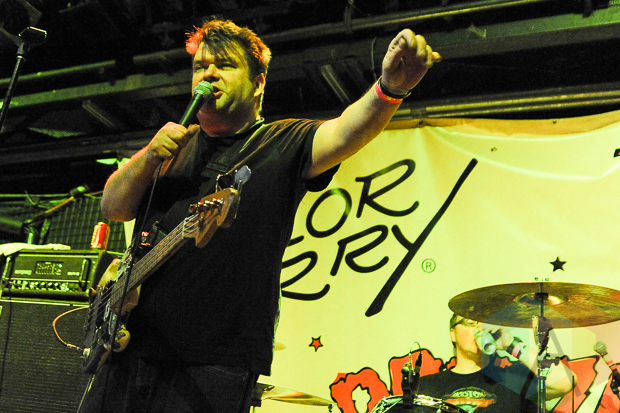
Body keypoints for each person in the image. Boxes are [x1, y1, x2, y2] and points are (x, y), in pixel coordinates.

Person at [78, 19, 441, 413]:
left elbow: (345, 132)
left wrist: (390, 89)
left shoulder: (283, 141)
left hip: (212, 361)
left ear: (258, 82)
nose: (209, 74)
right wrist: (149, 156)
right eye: (200, 66)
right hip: (127, 350)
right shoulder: (174, 145)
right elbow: (113, 207)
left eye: (225, 65)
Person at [416, 314, 576, 413]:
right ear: (453, 334)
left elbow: (565, 382)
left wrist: (511, 345)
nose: (479, 328)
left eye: (483, 323)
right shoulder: (425, 386)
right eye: (470, 322)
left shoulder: (514, 376)